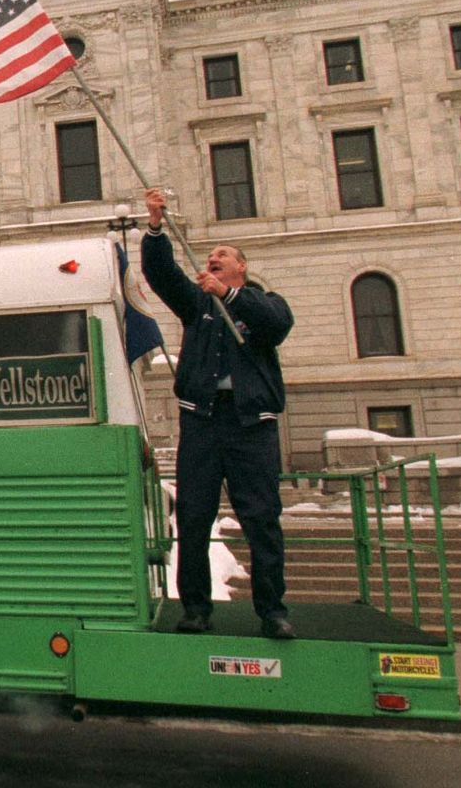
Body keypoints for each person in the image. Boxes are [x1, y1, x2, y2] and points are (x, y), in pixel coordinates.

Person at [141, 188, 297, 639]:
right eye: (209, 257)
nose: (212, 259)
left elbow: (276, 325)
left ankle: (272, 612)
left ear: (241, 268)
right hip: (204, 422)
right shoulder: (198, 307)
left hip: (251, 426)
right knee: (192, 516)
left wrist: (229, 295)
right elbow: (161, 273)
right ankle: (195, 608)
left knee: (261, 518)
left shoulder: (264, 302)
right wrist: (155, 227)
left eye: (222, 255)